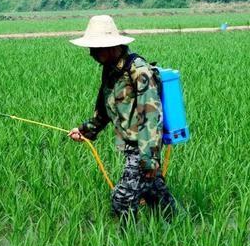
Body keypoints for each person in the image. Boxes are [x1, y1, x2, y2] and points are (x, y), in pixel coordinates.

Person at [68, 15, 177, 221]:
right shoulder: (110, 71)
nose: (91, 53)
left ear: (111, 47)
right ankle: (173, 226)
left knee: (122, 199)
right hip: (132, 146)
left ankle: (128, 244)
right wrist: (85, 131)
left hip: (142, 147)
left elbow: (151, 116)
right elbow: (105, 109)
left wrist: (149, 159)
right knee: (155, 193)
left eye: (95, 49)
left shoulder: (139, 71)